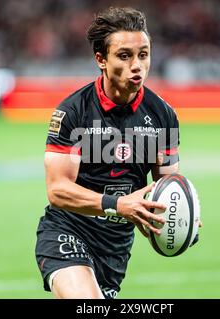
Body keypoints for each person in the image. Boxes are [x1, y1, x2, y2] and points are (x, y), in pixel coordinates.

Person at [35, 7, 185, 299]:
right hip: (67, 232)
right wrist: (118, 205)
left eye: (143, 54)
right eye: (125, 56)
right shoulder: (72, 112)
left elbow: (167, 187)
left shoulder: (163, 115)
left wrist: (177, 219)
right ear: (101, 60)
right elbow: (57, 190)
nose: (137, 65)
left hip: (115, 248)